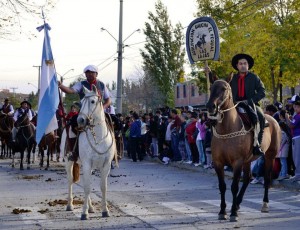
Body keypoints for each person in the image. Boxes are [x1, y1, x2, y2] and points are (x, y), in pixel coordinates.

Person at [206, 53, 266, 156]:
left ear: (248, 65)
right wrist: (209, 73)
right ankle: (213, 144)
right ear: (237, 66)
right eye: (241, 63)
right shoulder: (232, 78)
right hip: (234, 105)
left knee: (260, 117)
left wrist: (250, 101)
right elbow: (219, 82)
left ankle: (257, 145)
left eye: (245, 63)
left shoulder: (254, 77)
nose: (243, 65)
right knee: (213, 118)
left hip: (251, 104)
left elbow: (262, 92)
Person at [285, 99, 300, 182]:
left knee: (297, 157)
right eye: (295, 107)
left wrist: (287, 118)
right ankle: (297, 174)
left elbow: (291, 125)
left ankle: (298, 175)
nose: (295, 109)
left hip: (297, 137)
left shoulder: (298, 115)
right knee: (296, 157)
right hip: (296, 137)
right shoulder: (297, 115)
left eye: (297, 107)